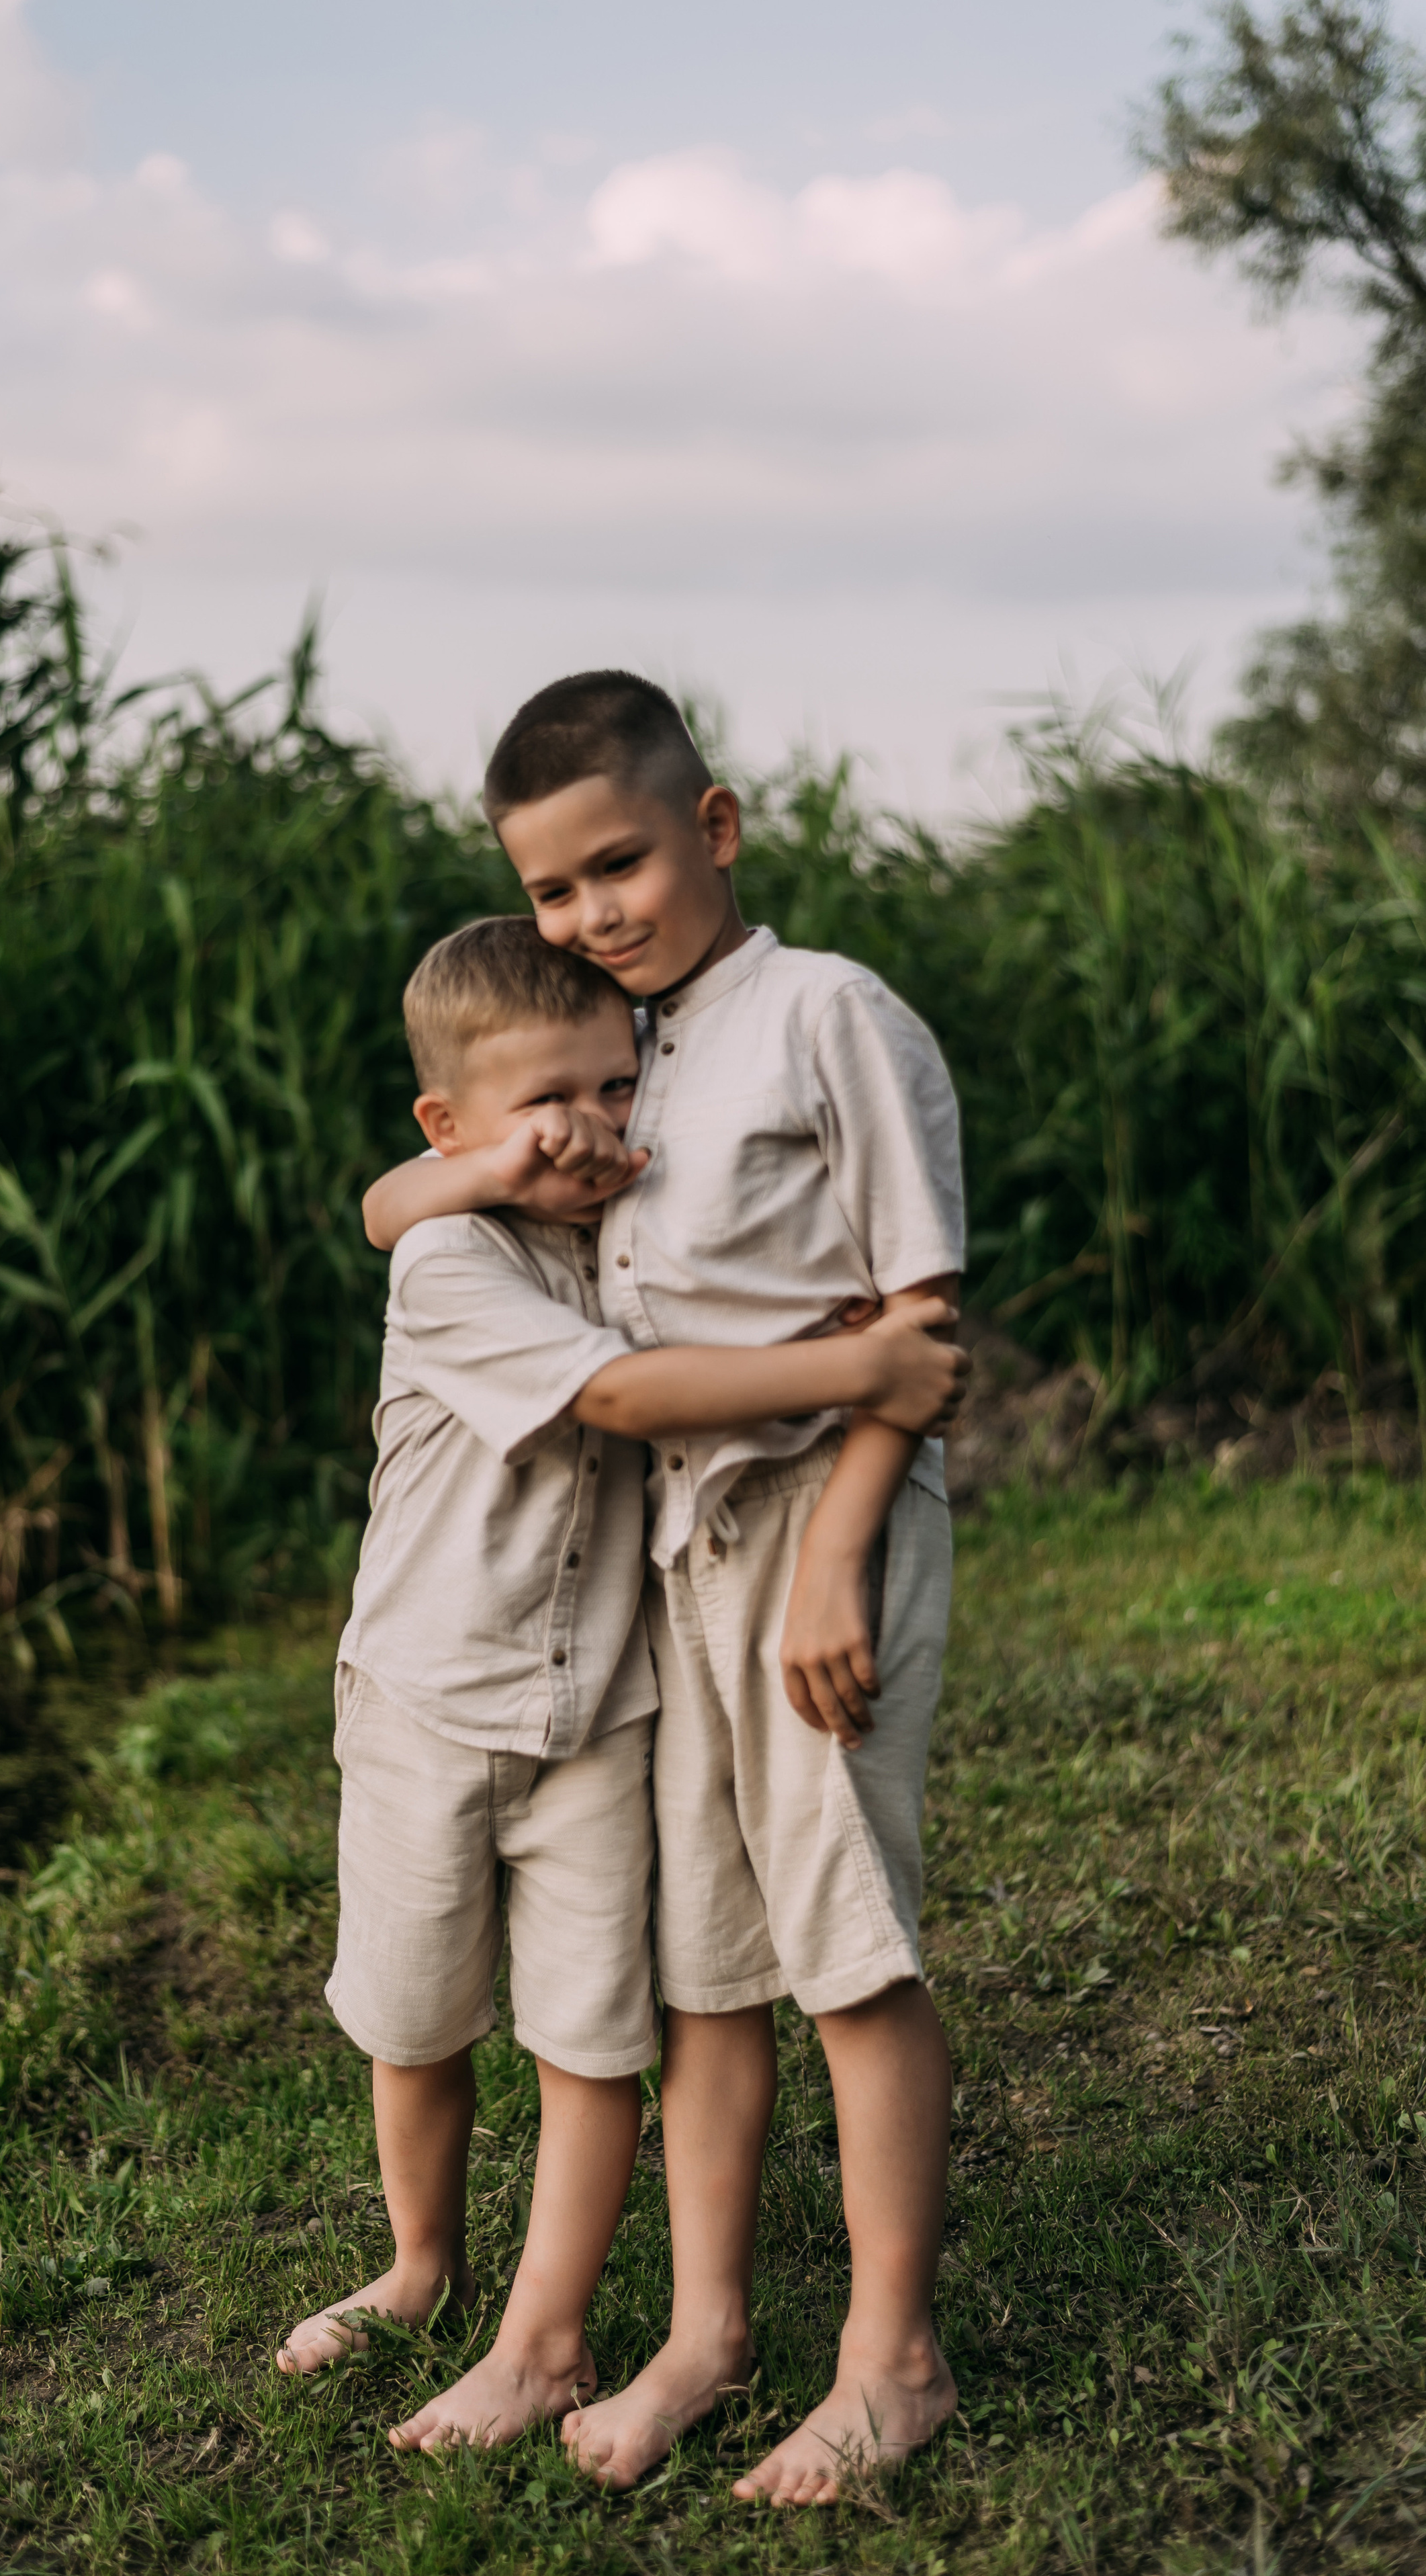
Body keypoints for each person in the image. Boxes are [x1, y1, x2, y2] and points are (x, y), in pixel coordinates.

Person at [363, 676, 965, 2504]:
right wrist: (440, 1180)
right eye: (550, 892)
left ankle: (893, 2361)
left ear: (708, 827)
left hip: (810, 1543)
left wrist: (842, 1553)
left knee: (847, 1948)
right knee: (711, 1974)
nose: (589, 914)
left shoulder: (824, 1013)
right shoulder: (622, 1052)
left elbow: (915, 1331)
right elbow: (412, 1202)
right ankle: (702, 2329)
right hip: (678, 1566)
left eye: (616, 864)